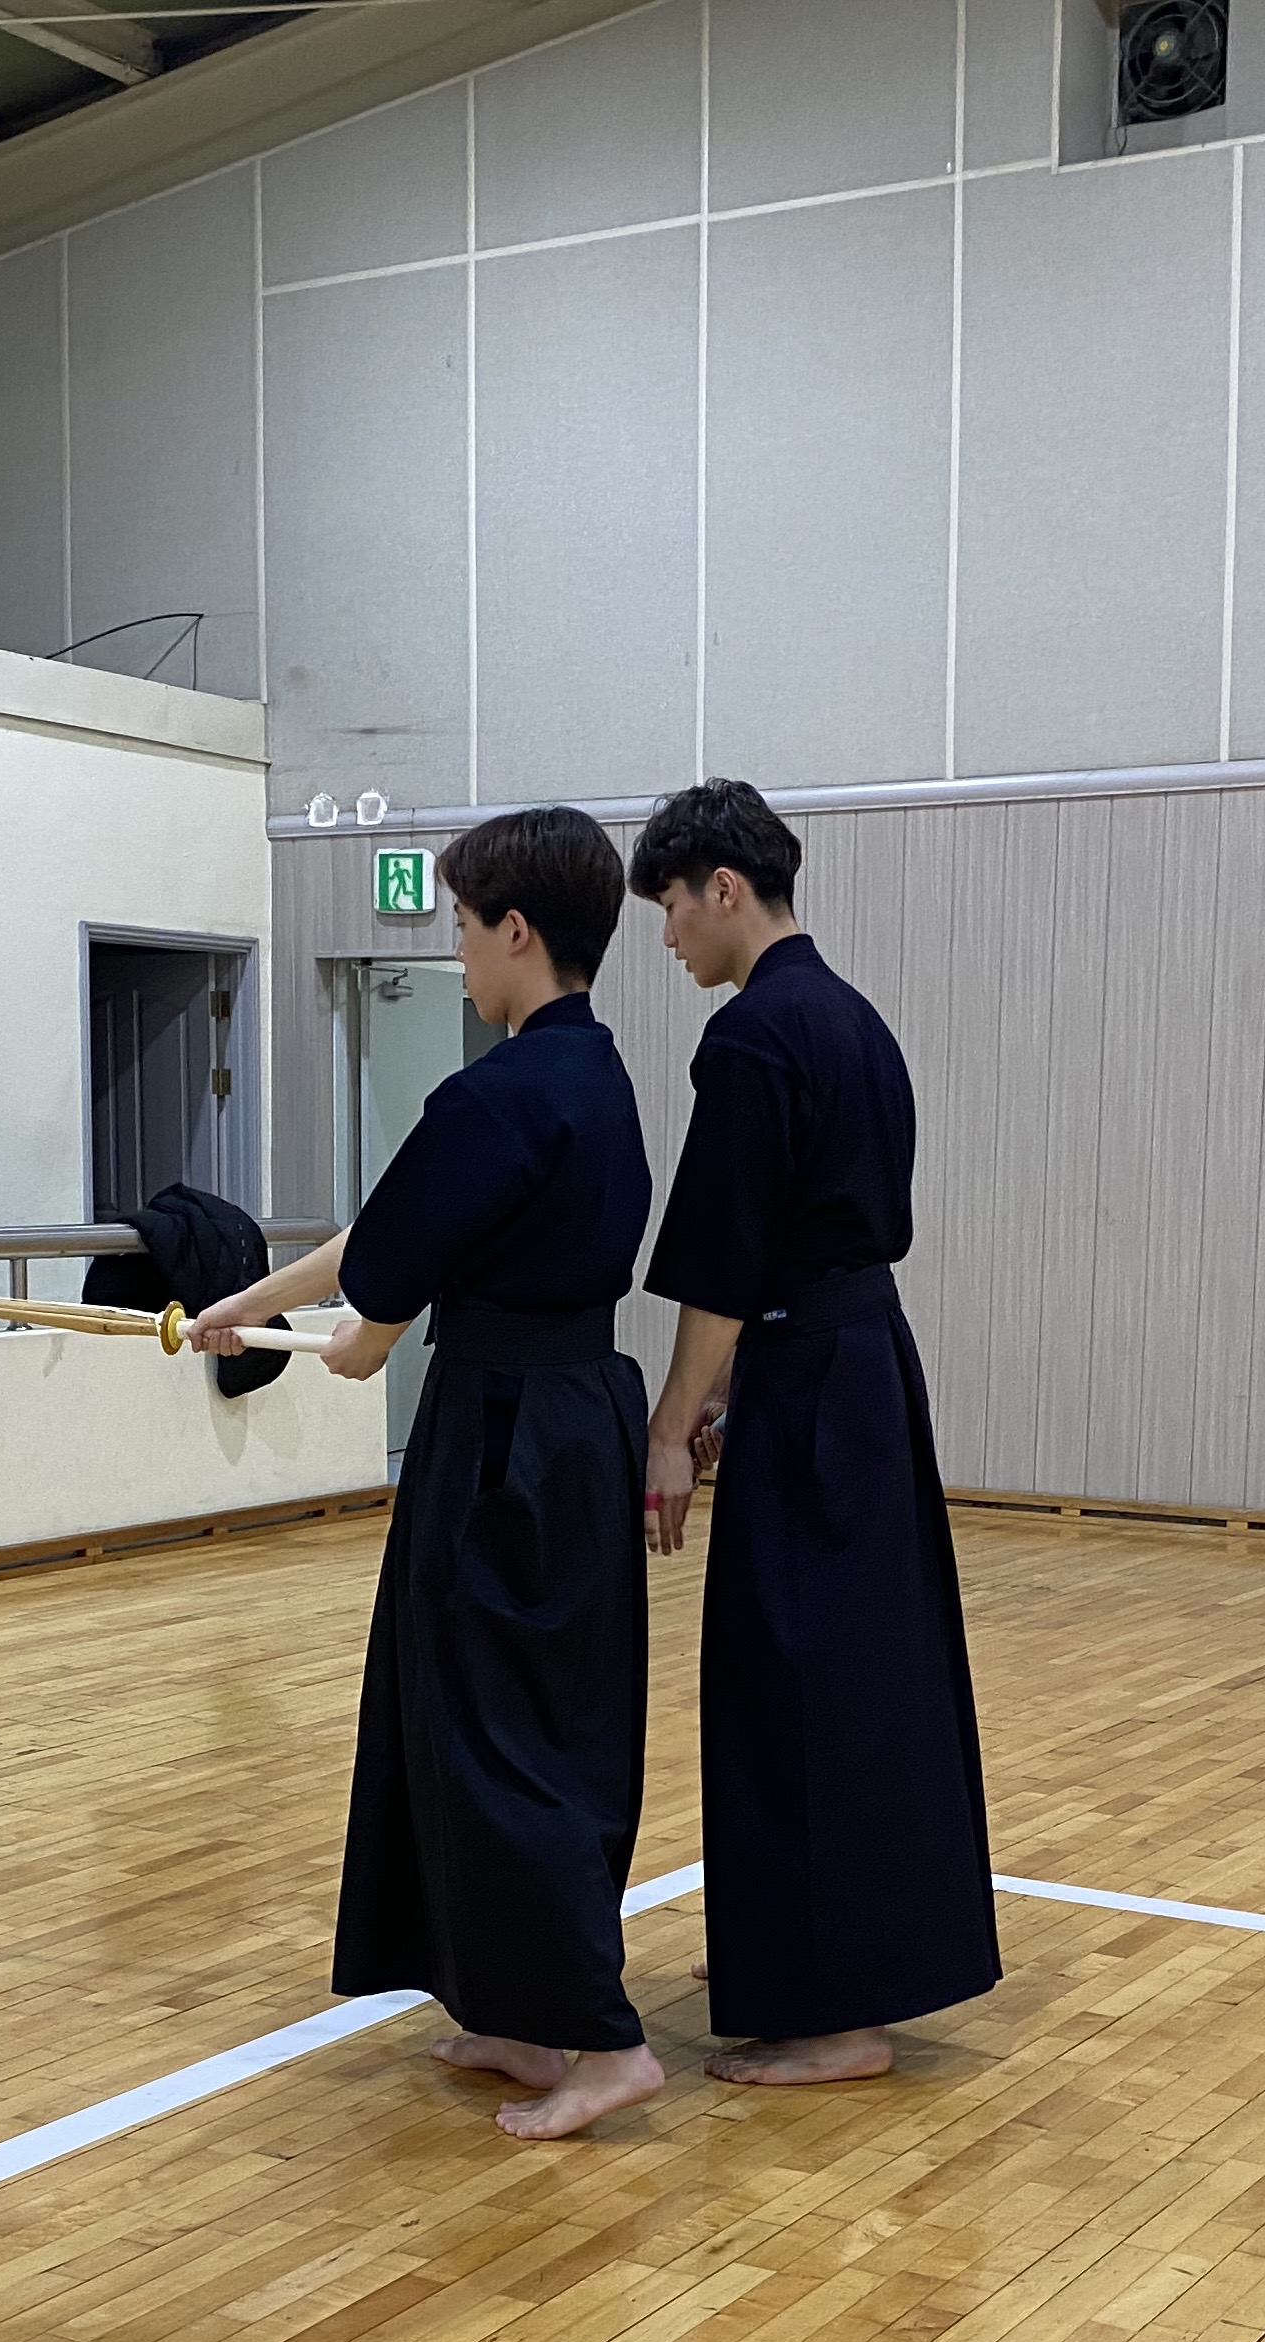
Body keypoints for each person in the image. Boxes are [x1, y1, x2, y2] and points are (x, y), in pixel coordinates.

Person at [190, 807, 663, 2139]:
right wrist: (249, 1304)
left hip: (505, 1436)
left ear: (516, 930)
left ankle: (606, 2043)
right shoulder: (596, 1079)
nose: (455, 952)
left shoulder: (498, 1093)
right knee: (511, 1712)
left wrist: (358, 1339)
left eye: (460, 927)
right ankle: (518, 2012)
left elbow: (381, 1295)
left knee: (500, 1727)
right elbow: (395, 1230)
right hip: (574, 1419)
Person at [632, 780, 1000, 2081]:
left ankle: (837, 2012)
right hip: (862, 1364)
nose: (668, 936)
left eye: (673, 908)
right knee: (857, 1670)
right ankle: (804, 1945)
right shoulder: (854, 1020)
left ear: (725, 888)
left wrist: (673, 1426)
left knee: (796, 1675)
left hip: (807, 1373)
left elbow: (725, 1266)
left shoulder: (753, 1036)